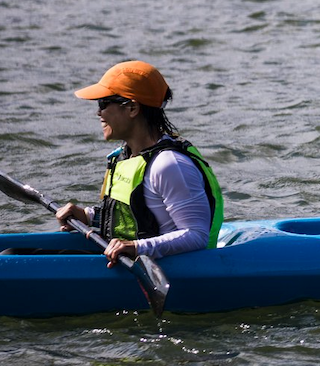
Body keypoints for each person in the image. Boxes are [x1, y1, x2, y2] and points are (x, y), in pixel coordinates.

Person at [55, 60, 224, 265]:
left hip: (172, 269)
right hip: (126, 261)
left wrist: (137, 247)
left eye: (103, 103)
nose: (98, 113)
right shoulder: (124, 157)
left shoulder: (170, 165)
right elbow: (134, 216)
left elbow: (196, 235)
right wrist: (87, 216)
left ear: (132, 108)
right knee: (12, 252)